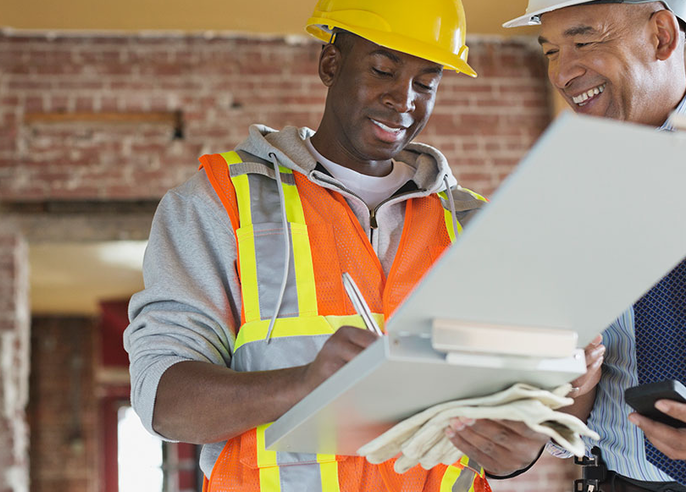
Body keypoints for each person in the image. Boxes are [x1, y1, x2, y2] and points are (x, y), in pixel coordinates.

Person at [124, 0, 561, 490]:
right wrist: (304, 385)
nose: (404, 99)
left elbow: (504, 411)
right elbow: (166, 404)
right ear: (330, 64)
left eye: (426, 82)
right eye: (382, 70)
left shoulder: (474, 225)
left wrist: (518, 451)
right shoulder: (220, 202)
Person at [504, 1, 686, 490]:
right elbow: (567, 410)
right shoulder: (552, 198)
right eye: (550, 51)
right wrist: (563, 388)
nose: (563, 72)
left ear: (661, 35)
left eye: (584, 42)